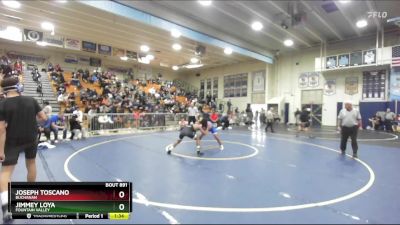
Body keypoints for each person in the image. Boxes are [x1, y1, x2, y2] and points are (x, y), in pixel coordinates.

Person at [0, 77, 47, 222]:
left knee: (6, 172)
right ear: (17, 87)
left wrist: (0, 150)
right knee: (31, 164)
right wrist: (34, 123)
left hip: (12, 141)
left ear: (4, 90)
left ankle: (7, 208)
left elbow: (1, 129)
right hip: (31, 138)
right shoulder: (30, 100)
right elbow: (43, 118)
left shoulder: (3, 105)